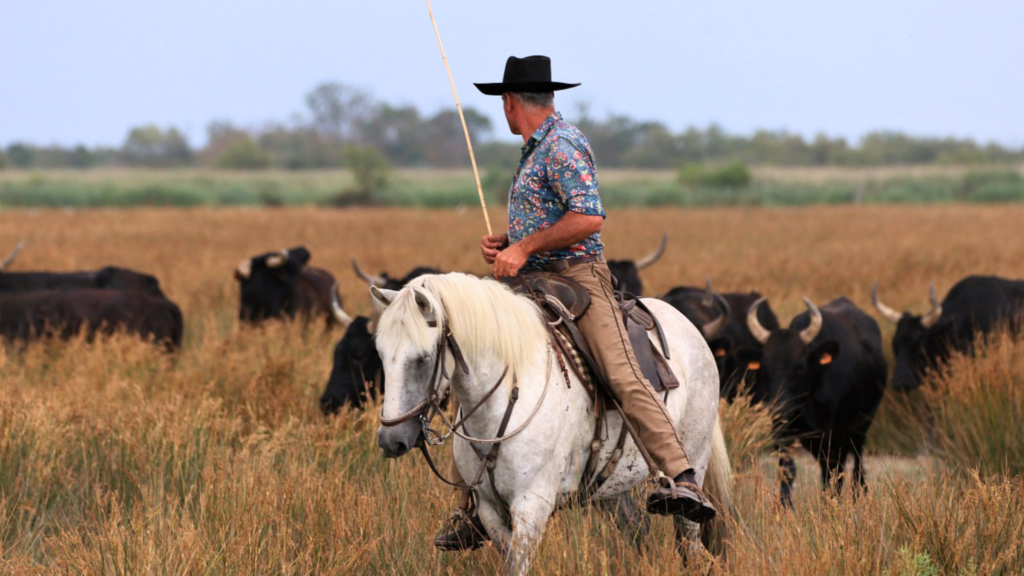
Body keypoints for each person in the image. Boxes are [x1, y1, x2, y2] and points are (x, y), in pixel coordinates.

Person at [434, 55, 715, 552]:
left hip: (578, 280)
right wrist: (508, 242)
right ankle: (473, 505)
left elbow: (588, 218)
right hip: (532, 278)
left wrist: (524, 247)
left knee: (623, 372)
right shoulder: (533, 149)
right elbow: (552, 218)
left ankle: (681, 477)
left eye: (503, 102)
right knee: (474, 361)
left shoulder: (562, 144)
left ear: (510, 103)